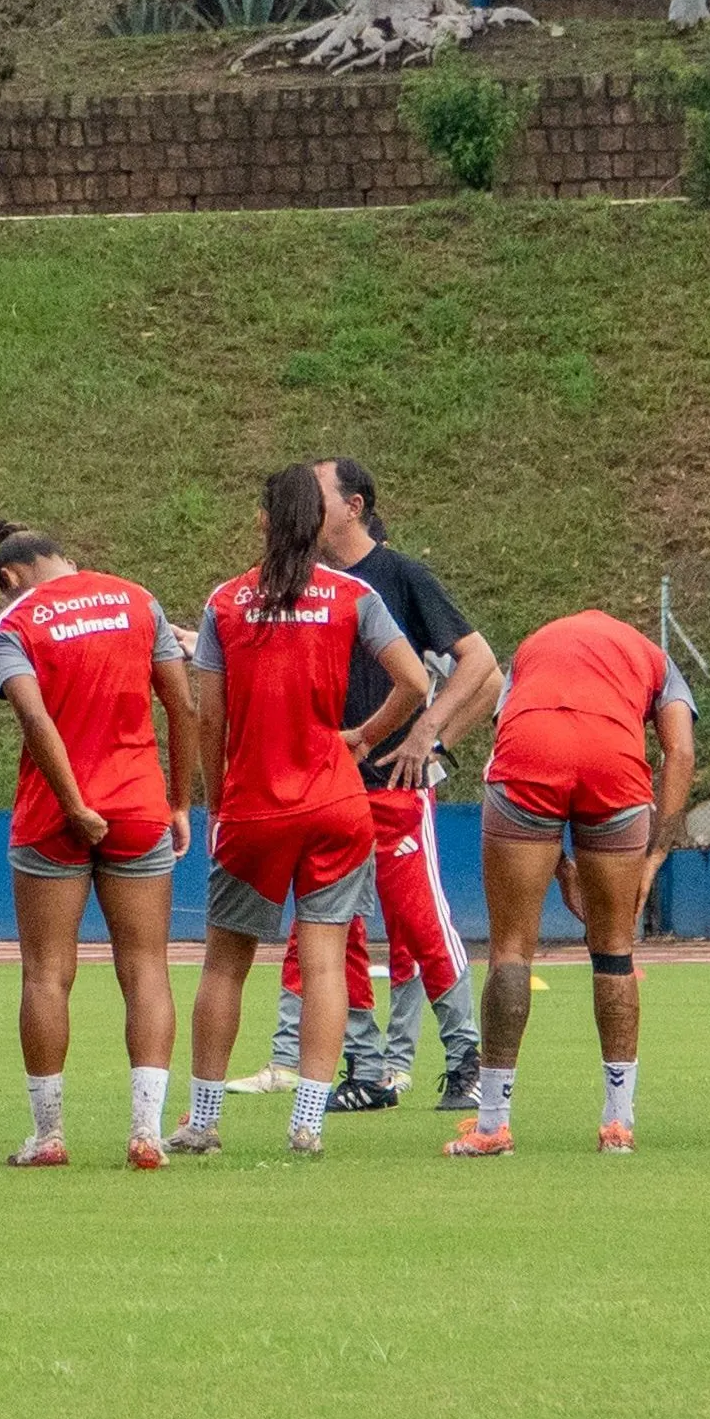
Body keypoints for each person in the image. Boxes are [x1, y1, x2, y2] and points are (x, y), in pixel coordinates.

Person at [167, 466, 435, 1159]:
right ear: (320, 523)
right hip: (334, 802)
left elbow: (209, 717)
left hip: (255, 806)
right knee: (323, 963)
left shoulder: (225, 603)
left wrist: (218, 800)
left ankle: (202, 1120)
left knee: (225, 964)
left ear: (262, 521)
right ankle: (308, 1122)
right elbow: (415, 680)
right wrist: (364, 737)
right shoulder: (351, 596)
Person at [449, 604, 692, 1156]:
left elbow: (504, 726)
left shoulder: (535, 645)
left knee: (511, 950)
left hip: (530, 750)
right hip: (616, 763)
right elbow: (679, 752)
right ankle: (618, 1124)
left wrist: (559, 864)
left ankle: (492, 1126)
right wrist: (654, 858)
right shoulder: (656, 660)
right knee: (614, 953)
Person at [0, 521, 190, 1170]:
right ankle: (146, 1133)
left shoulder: (13, 623)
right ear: (64, 558)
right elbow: (181, 705)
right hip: (137, 804)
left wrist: (74, 801)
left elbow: (34, 715)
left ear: (11, 576)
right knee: (147, 967)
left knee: (47, 972)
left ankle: (47, 1136)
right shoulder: (136, 599)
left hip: (55, 814)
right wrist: (179, 800)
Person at [311, 460, 496, 1111]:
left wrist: (430, 735)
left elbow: (481, 664)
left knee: (419, 919)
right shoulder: (309, 583)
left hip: (391, 781)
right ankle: (364, 1069)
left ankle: (465, 1055)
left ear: (353, 504)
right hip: (328, 786)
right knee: (338, 929)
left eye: (316, 493)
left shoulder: (401, 576)